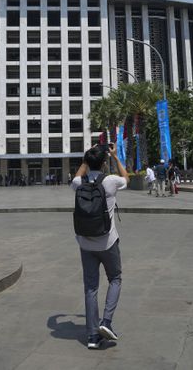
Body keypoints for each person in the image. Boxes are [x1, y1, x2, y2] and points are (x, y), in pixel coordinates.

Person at [71, 144, 128, 349]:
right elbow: (126, 178)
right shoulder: (110, 181)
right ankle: (106, 322)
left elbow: (77, 176)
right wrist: (115, 156)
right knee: (115, 278)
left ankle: (93, 337)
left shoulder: (79, 182)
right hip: (107, 241)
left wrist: (86, 160)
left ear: (87, 162)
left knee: (91, 287)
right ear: (104, 163)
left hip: (85, 242)